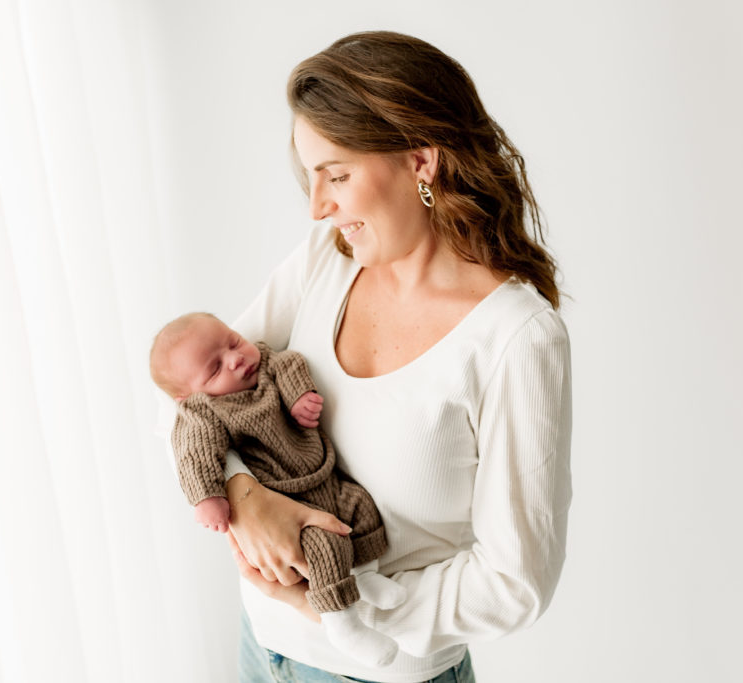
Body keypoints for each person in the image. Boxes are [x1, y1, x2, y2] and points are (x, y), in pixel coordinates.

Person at [220, 30, 573, 682]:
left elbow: (515, 582)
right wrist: (246, 495)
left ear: (421, 162)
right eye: (311, 174)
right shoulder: (326, 262)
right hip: (263, 649)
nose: (317, 205)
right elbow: (191, 393)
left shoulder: (516, 337)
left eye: (338, 174)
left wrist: (346, 604)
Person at [149, 312, 407, 666]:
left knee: (361, 509)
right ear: (186, 397)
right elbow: (194, 449)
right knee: (324, 545)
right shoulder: (205, 410)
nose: (236, 358)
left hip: (325, 480)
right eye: (215, 369)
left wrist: (300, 396)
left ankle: (365, 577)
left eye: (233, 341)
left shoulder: (266, 364)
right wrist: (207, 496)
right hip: (287, 505)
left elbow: (290, 364)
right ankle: (342, 623)